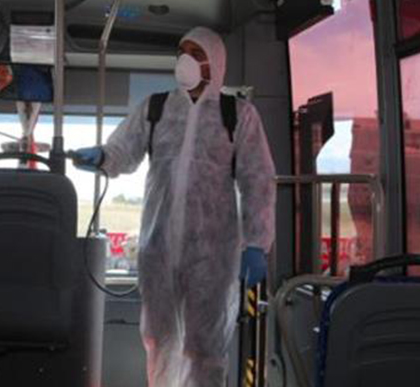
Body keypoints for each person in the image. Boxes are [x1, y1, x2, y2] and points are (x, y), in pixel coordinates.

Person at [72, 26, 276, 387]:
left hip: (212, 255)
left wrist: (256, 243)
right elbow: (123, 152)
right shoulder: (156, 108)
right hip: (159, 249)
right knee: (159, 342)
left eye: (195, 54)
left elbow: (257, 180)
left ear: (214, 62)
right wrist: (103, 157)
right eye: (181, 52)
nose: (185, 61)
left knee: (205, 349)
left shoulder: (237, 115)